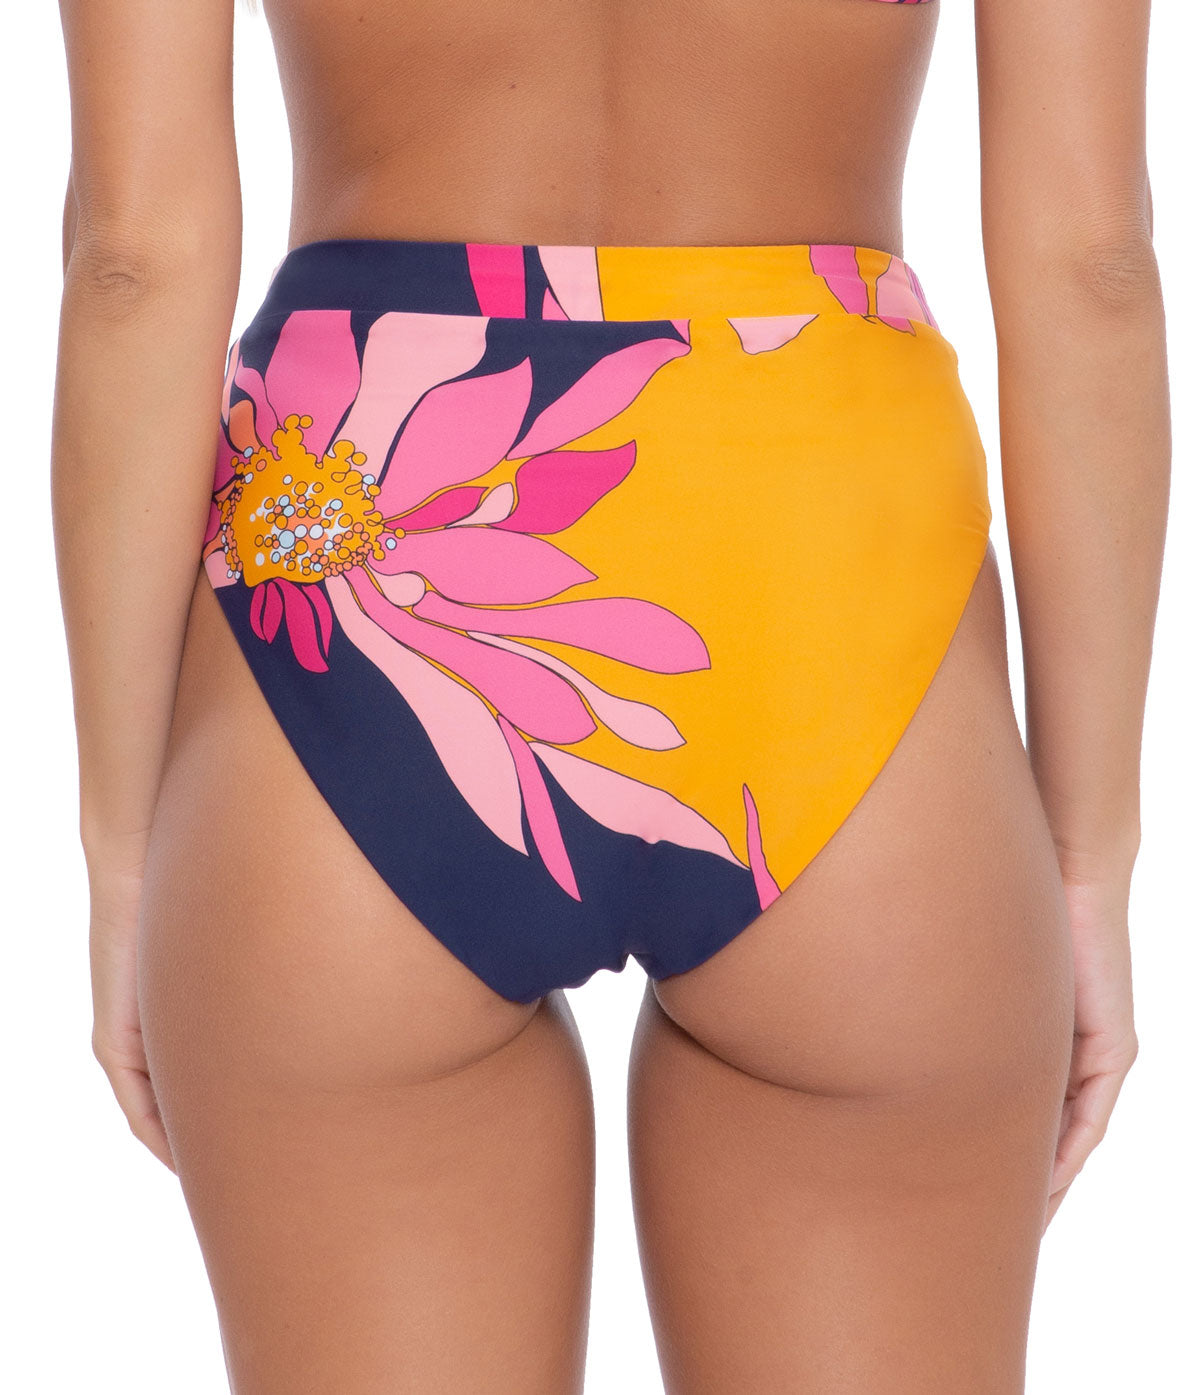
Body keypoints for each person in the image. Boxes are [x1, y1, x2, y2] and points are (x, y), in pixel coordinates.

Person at [51, 0, 1169, 1389]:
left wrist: (124, 850)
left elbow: (133, 257)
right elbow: (1090, 260)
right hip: (833, 568)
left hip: (357, 585)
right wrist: (1086, 860)